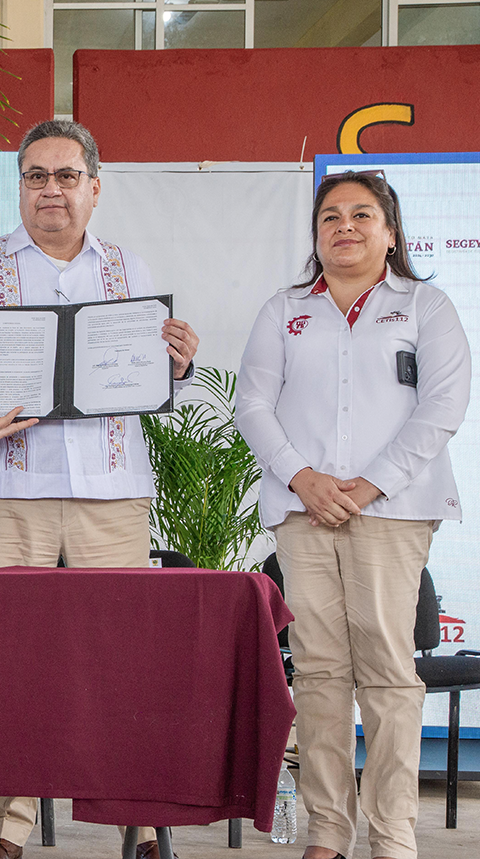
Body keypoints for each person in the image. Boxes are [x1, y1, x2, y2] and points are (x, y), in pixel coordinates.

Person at [0, 120, 199, 859]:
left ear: (94, 187)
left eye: (65, 175)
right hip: (7, 493)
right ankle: (5, 830)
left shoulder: (129, 270)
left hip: (111, 494)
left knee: (121, 663)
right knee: (11, 665)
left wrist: (174, 365)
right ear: (20, 186)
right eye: (36, 176)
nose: (51, 189)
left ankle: (142, 826)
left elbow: (147, 375)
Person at [236, 171, 469, 859]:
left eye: (362, 215)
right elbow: (252, 403)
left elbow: (442, 408)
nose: (345, 226)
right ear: (316, 233)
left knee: (390, 671)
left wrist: (365, 487)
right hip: (302, 513)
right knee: (318, 672)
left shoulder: (426, 306)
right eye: (331, 216)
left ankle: (393, 835)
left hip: (393, 513)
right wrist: (304, 479)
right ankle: (328, 832)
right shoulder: (284, 309)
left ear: (391, 231)